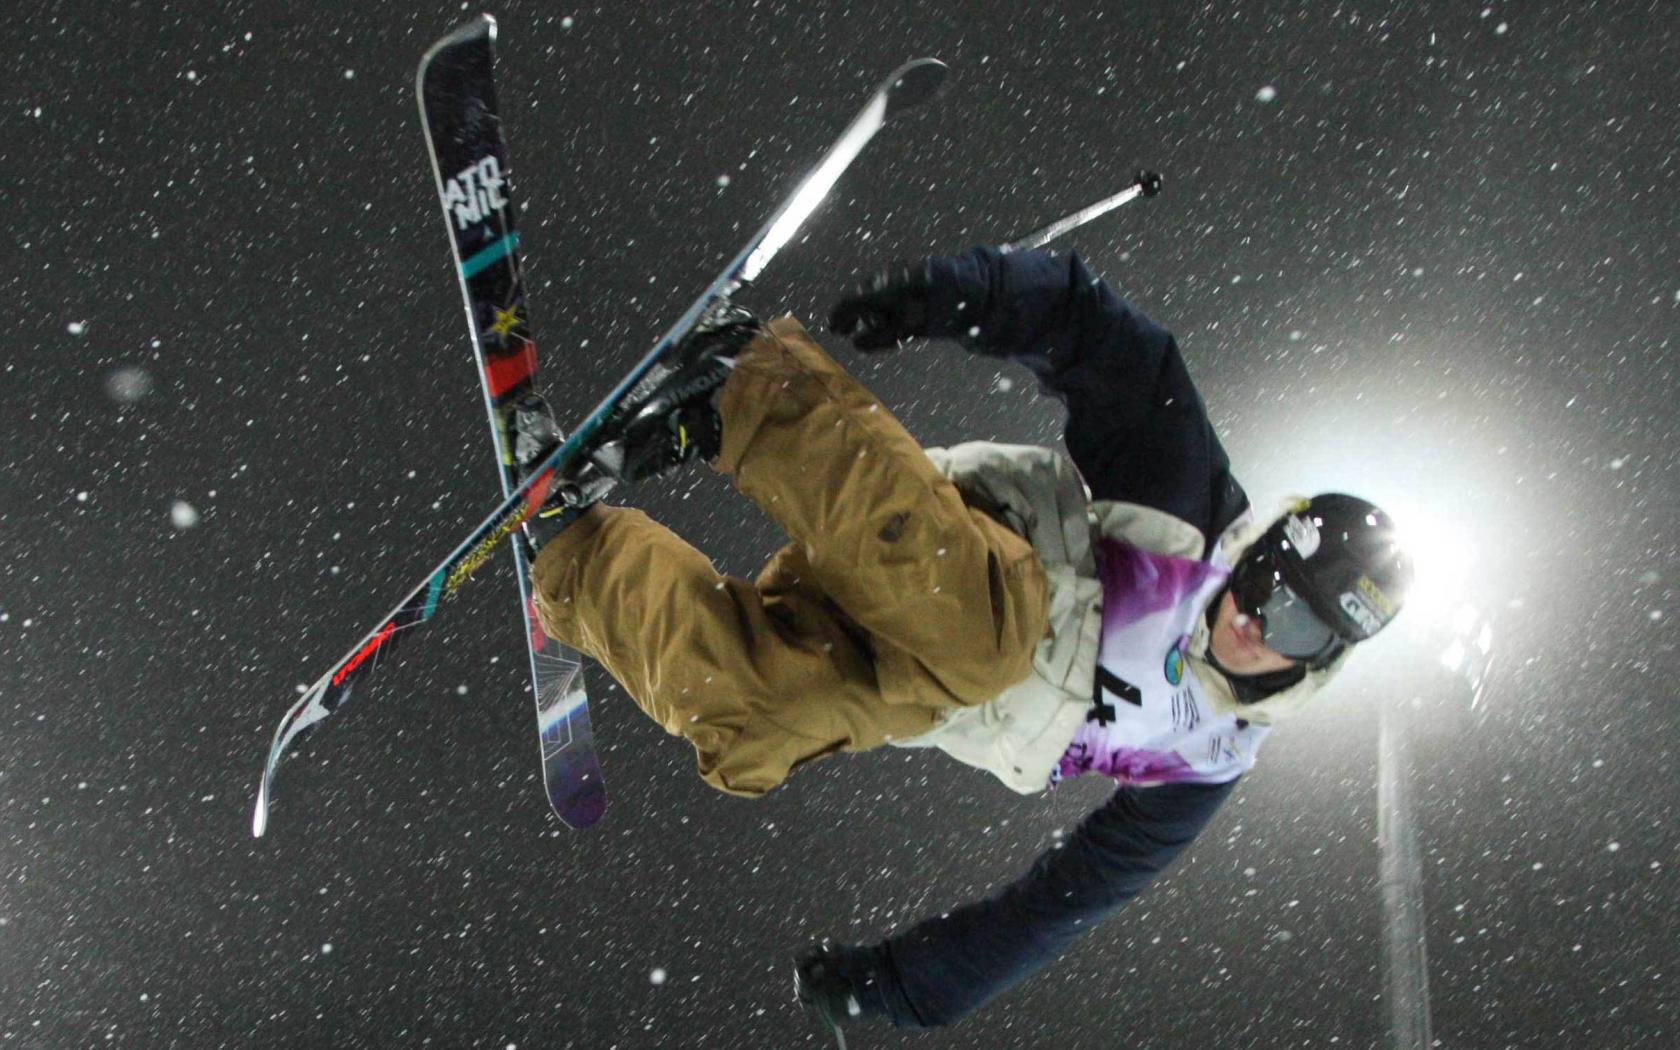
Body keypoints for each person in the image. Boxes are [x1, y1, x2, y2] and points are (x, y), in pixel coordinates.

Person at [517, 246, 1413, 1035]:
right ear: (1257, 549)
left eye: (1296, 624)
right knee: (988, 648)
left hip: (915, 682)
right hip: (924, 549)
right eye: (1263, 581)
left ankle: (573, 553)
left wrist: (900, 985)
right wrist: (958, 296)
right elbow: (1097, 335)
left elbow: (1064, 901)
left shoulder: (1207, 759)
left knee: (763, 728)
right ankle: (738, 386)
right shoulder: (1184, 513)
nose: (1255, 621)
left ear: (1324, 658)